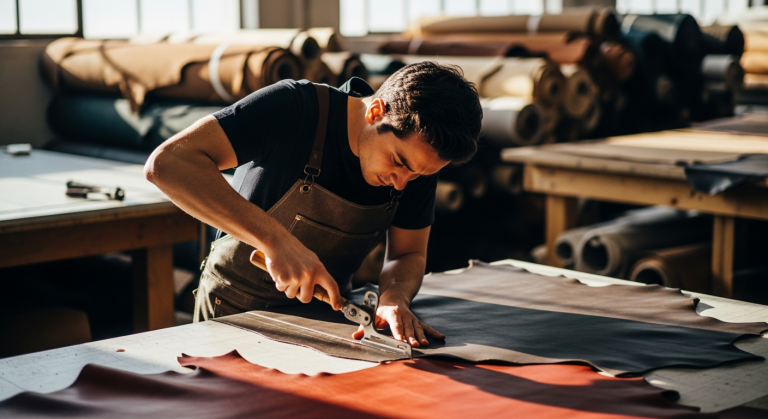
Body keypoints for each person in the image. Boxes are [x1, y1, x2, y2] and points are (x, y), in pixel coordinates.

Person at [144, 61, 483, 348]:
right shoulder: (295, 107)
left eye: (419, 175)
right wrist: (275, 241)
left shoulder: (416, 165)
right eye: (399, 162)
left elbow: (407, 255)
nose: (402, 182)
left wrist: (394, 297)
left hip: (327, 323)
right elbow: (169, 165)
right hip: (231, 314)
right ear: (376, 112)